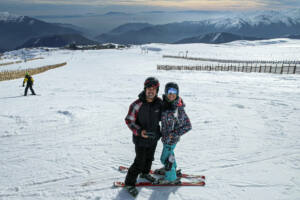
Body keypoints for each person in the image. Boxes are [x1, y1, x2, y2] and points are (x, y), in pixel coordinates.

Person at [124, 77, 162, 196]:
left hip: (153, 137)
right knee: (139, 161)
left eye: (154, 89)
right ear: (145, 89)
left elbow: (166, 116)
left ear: (157, 90)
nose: (151, 91)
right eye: (149, 89)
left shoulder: (160, 103)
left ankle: (145, 173)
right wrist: (140, 131)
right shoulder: (137, 104)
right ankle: (129, 183)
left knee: (149, 158)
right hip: (140, 139)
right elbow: (129, 120)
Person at [157, 82, 192, 184]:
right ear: (166, 92)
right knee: (169, 156)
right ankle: (172, 169)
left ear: (177, 93)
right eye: (169, 91)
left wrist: (174, 134)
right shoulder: (164, 105)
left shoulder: (178, 109)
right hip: (165, 138)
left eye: (174, 92)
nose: (171, 94)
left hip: (171, 140)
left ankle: (171, 178)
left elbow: (188, 126)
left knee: (164, 158)